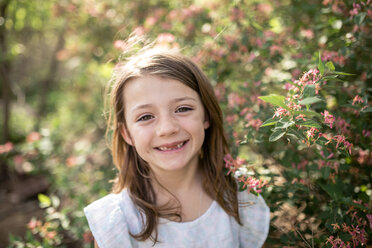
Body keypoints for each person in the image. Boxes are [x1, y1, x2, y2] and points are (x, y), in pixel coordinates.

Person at [84, 45, 270, 248]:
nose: (167, 129)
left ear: (206, 116)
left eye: (183, 109)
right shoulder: (117, 223)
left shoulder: (240, 196)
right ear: (126, 134)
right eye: (145, 117)